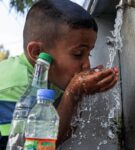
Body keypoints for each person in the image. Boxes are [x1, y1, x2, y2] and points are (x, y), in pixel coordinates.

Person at [0, 0, 119, 149]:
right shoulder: (15, 86)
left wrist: (80, 92)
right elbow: (32, 145)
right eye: (78, 53)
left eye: (89, 53)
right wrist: (74, 91)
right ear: (37, 53)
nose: (87, 64)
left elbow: (63, 129)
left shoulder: (52, 76)